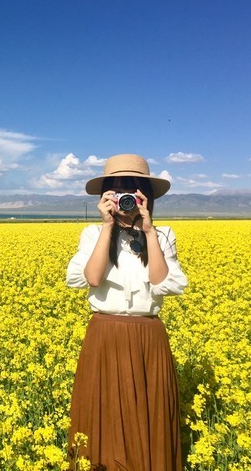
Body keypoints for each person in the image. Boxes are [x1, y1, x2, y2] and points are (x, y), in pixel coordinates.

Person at [66, 154, 188, 471]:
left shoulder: (162, 236)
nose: (125, 198)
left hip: (148, 340)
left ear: (145, 196)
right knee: (102, 421)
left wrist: (148, 232)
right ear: (105, 195)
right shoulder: (93, 235)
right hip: (104, 338)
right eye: (117, 190)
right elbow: (91, 278)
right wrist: (107, 227)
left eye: (132, 190)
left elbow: (163, 282)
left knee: (150, 421)